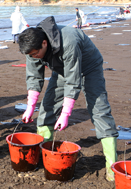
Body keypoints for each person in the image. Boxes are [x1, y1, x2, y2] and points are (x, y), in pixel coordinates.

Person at [17, 16, 118, 181]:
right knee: (47, 108)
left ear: (44, 43)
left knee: (99, 110)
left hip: (88, 66)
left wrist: (65, 114)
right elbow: (34, 77)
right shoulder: (31, 46)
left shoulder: (68, 40)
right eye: (31, 55)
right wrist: (30, 107)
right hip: (62, 67)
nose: (34, 57)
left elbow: (73, 80)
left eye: (35, 54)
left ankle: (112, 167)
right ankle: (45, 154)